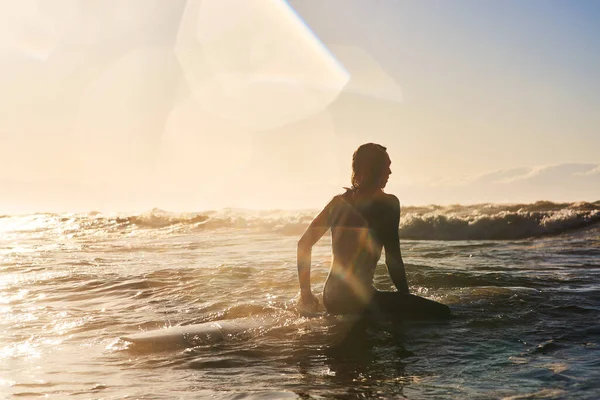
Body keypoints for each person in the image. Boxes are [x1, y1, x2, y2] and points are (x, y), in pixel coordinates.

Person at [297, 143, 450, 318]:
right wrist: (405, 297)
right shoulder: (388, 204)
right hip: (359, 300)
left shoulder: (338, 203)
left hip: (331, 297)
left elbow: (304, 244)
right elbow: (393, 259)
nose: (390, 173)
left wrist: (306, 292)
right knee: (443, 314)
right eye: (386, 167)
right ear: (373, 170)